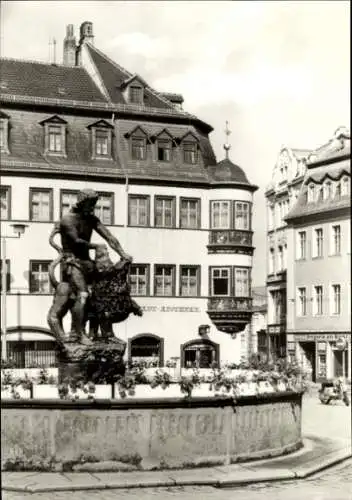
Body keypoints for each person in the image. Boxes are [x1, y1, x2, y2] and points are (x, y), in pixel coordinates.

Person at [47, 188, 132, 343]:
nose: (93, 207)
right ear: (82, 202)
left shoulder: (91, 218)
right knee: (83, 295)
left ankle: (105, 334)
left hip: (87, 263)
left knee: (101, 295)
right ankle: (78, 333)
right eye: (90, 203)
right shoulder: (68, 219)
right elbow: (76, 241)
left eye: (94, 204)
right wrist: (96, 246)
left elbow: (109, 237)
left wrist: (122, 253)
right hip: (72, 263)